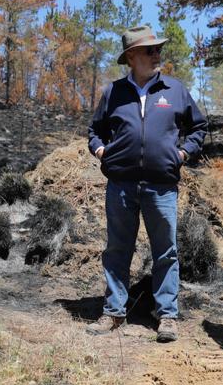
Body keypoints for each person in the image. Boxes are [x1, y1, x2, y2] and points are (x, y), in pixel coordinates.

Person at [87, 24, 207, 343]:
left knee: (166, 251)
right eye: (150, 50)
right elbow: (95, 131)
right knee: (117, 250)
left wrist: (181, 154)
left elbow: (199, 128)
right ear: (131, 56)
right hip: (121, 185)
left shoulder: (175, 90)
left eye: (158, 49)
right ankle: (114, 312)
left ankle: (167, 315)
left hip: (161, 186)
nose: (157, 55)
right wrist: (101, 151)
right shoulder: (113, 92)